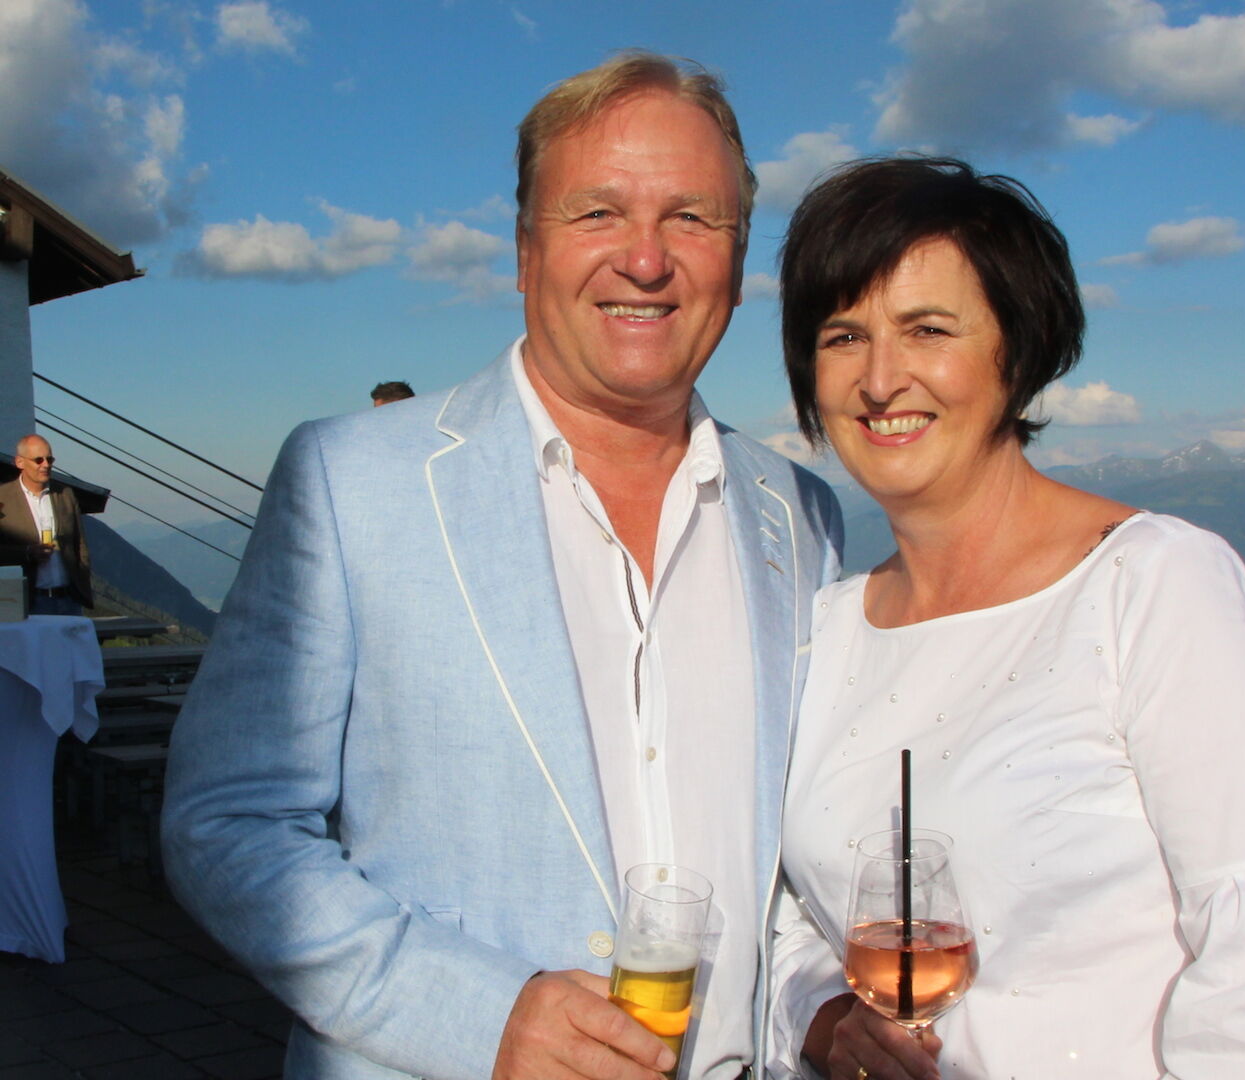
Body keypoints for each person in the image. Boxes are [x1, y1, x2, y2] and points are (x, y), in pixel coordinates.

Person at [162, 53, 841, 1080]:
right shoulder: (351, 482)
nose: (645, 259)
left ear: (739, 262)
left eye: (692, 218)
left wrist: (821, 1006)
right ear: (525, 251)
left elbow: (788, 859)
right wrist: (480, 1018)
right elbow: (228, 822)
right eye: (597, 213)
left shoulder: (800, 513)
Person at [766, 158, 1245, 1079]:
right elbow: (790, 915)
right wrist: (827, 1019)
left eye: (928, 329)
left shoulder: (1152, 587)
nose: (881, 379)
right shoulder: (829, 628)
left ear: (1020, 351)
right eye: (843, 336)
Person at [0, 434, 93, 616]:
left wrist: (82, 577)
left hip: (69, 599)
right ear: (20, 462)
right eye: (38, 460)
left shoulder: (65, 495)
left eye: (49, 459)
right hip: (27, 602)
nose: (46, 465)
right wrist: (27, 553)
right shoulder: (4, 498)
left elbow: (79, 543)